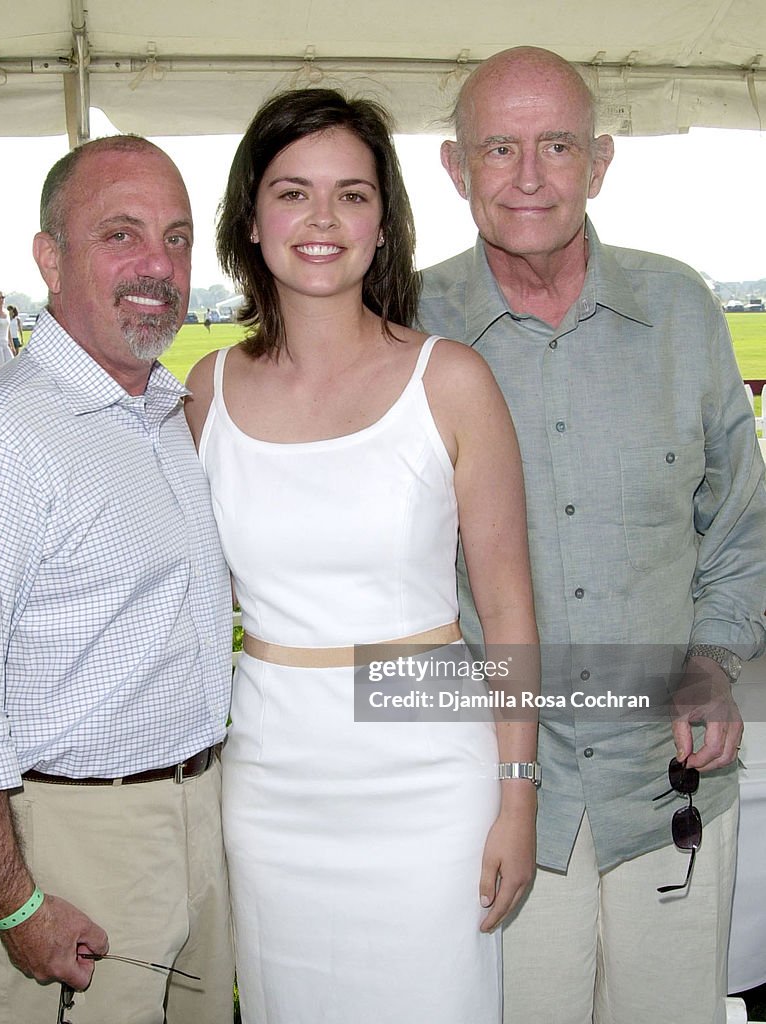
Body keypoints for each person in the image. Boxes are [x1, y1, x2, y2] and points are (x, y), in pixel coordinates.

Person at [419, 46, 766, 1024]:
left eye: (558, 145)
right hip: (496, 792)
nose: (529, 176)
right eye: (499, 148)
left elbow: (740, 524)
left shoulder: (684, 310)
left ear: (601, 162)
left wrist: (709, 657)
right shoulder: (406, 327)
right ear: (455, 169)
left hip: (669, 782)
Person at [185, 87, 539, 1024]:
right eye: (292, 191)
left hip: (429, 783)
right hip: (273, 781)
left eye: (352, 194)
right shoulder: (207, 391)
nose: (322, 220)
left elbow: (509, 615)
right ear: (250, 219)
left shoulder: (452, 380)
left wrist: (518, 796)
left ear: (384, 225)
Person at [0, 135, 234, 1024]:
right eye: (120, 234)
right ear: (50, 258)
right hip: (65, 845)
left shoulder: (161, 416)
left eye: (176, 237)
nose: (157, 266)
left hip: (198, 817)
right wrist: (15, 902)